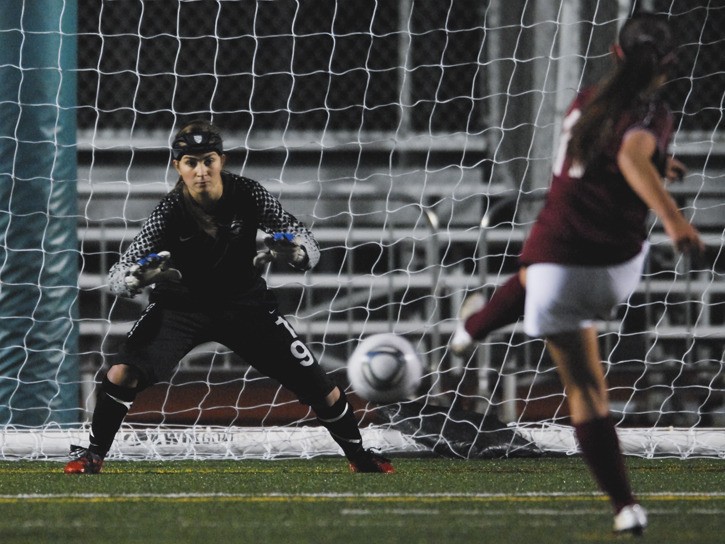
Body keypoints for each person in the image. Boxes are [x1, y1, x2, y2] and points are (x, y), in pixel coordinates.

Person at [450, 12, 703, 535]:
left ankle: (625, 506)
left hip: (555, 267)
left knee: (585, 388)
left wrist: (661, 179)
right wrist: (676, 221)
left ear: (614, 53)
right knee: (547, 290)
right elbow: (633, 154)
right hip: (616, 269)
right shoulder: (653, 110)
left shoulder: (585, 103)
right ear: (671, 63)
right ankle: (471, 327)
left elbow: (623, 155)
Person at [65, 120, 394, 475]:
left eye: (208, 160)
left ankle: (360, 458)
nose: (201, 171)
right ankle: (93, 455)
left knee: (320, 387)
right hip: (181, 308)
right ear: (178, 166)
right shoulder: (168, 212)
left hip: (246, 306)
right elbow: (117, 275)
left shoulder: (249, 194)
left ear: (221, 160)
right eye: (191, 162)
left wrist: (296, 253)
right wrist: (135, 278)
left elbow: (306, 243)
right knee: (121, 373)